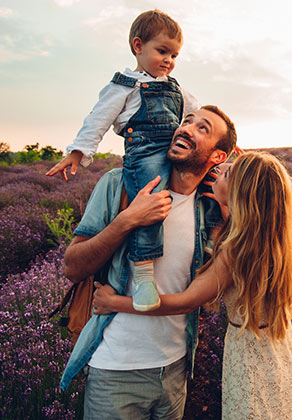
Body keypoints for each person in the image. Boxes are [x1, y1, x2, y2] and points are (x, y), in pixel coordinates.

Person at [93, 151, 292, 419]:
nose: (221, 169)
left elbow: (187, 301)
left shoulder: (235, 251)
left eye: (228, 173)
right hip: (282, 357)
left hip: (251, 364)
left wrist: (115, 303)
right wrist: (226, 188)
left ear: (241, 194)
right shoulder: (274, 240)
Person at [60, 106, 237, 420]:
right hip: (116, 370)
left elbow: (206, 297)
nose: (186, 128)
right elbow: (72, 267)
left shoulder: (208, 210)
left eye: (203, 128)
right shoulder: (119, 184)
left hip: (176, 369)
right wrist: (128, 220)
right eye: (186, 121)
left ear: (218, 157)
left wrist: (223, 223)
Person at [46, 9, 200, 312]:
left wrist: (227, 142)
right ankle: (144, 274)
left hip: (173, 149)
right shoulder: (125, 83)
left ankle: (208, 247)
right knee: (151, 202)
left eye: (174, 55)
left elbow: (199, 116)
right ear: (138, 46)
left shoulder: (176, 86)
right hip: (145, 153)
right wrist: (78, 152)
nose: (169, 60)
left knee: (210, 180)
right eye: (162, 51)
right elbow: (98, 118)